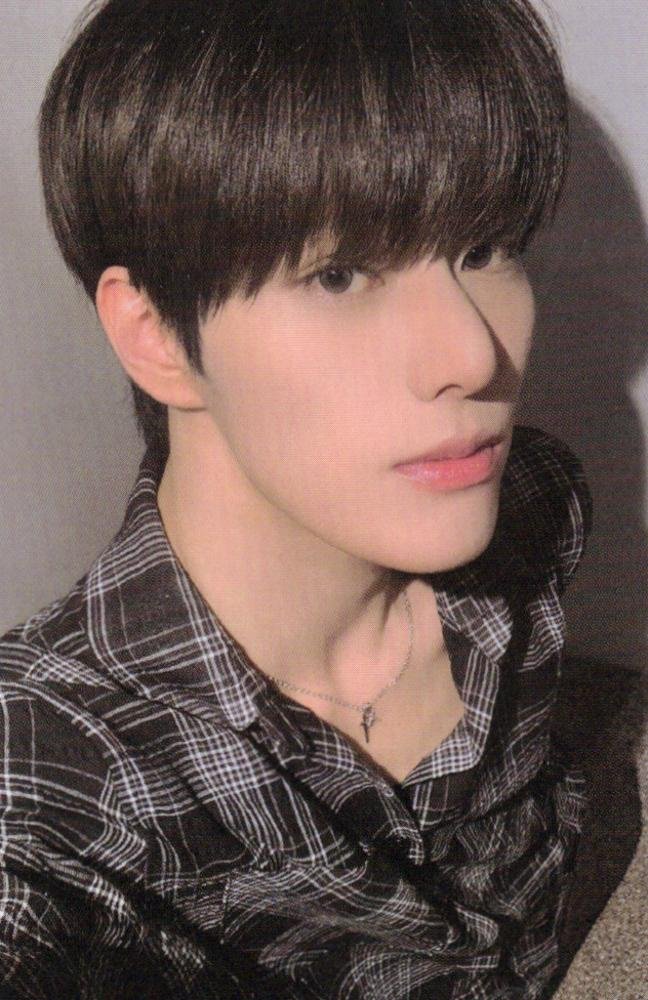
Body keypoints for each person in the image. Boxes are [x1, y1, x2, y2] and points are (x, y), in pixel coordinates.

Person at [0, 0, 593, 997]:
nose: (473, 352)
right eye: (340, 274)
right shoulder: (63, 781)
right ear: (155, 333)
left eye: (486, 248)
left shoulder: (535, 511)